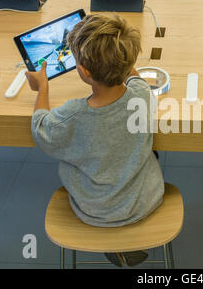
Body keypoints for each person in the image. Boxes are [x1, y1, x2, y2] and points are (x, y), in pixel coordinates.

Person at [25, 14, 164, 266]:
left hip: (93, 211)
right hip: (144, 202)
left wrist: (42, 87)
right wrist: (120, 57)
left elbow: (40, 128)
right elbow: (134, 78)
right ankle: (124, 242)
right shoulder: (141, 95)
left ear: (84, 70)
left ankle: (113, 242)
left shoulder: (71, 116)